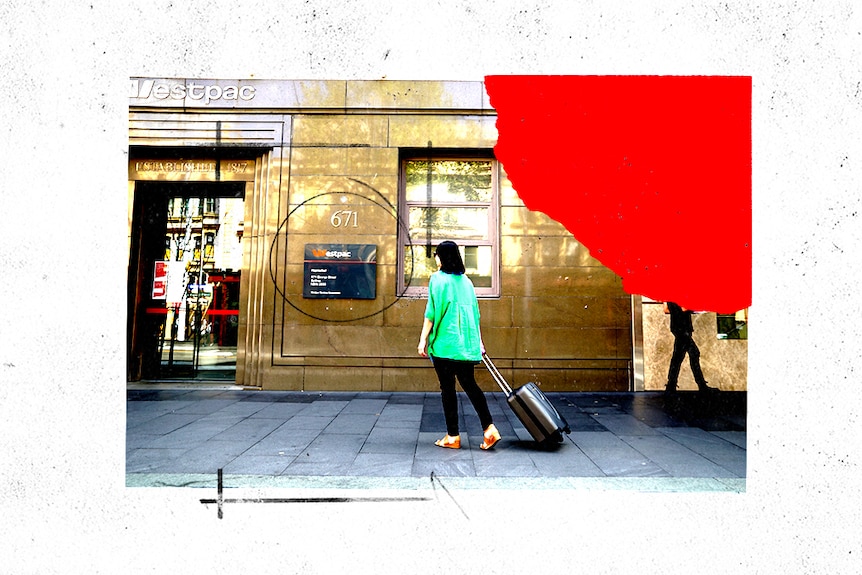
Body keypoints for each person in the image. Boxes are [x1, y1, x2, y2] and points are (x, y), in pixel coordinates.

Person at [418, 241, 501, 450]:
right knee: (471, 386)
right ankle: (489, 429)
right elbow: (475, 314)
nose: (435, 258)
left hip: (445, 344)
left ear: (442, 257)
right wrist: (479, 341)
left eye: (436, 254)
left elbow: (431, 313)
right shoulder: (467, 282)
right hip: (465, 345)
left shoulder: (437, 279)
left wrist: (422, 340)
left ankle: (453, 436)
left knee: (448, 389)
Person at [664, 301, 718, 393]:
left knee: (679, 357)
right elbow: (684, 308)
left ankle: (671, 385)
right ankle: (701, 385)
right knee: (693, 353)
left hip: (677, 327)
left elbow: (666, 310)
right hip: (683, 327)